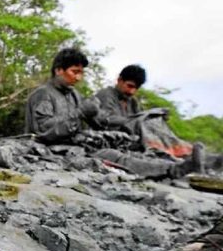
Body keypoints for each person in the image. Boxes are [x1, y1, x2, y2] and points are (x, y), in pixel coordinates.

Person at [25, 48, 204, 179]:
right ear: (58, 70)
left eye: (81, 73)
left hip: (76, 145)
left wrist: (98, 116)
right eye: (74, 72)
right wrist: (80, 113)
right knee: (113, 157)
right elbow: (44, 131)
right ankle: (174, 170)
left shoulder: (74, 94)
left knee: (126, 151)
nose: (78, 78)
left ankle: (178, 166)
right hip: (53, 151)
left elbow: (100, 121)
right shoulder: (43, 94)